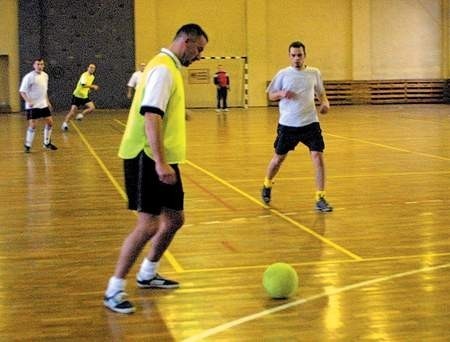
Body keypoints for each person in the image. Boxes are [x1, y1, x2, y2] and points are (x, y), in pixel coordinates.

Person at [103, 23, 208, 314]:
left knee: (174, 219)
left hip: (162, 157)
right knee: (148, 224)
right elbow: (151, 115)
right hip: (146, 155)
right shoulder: (163, 69)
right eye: (198, 49)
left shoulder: (168, 68)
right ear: (185, 41)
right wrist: (160, 162)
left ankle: (148, 273)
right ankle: (114, 289)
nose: (199, 55)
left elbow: (161, 109)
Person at [261, 41, 333, 212]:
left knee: (318, 157)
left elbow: (321, 93)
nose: (296, 58)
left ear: (304, 55)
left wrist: (325, 104)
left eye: (299, 55)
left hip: (310, 123)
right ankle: (267, 184)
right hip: (288, 125)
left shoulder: (314, 73)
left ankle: (320, 197)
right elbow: (270, 95)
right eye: (293, 55)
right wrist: (280, 93)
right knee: (278, 159)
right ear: (289, 56)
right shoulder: (283, 74)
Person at [20, 58, 57, 152]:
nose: (40, 66)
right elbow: (22, 91)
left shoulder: (45, 76)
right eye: (38, 64)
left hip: (43, 104)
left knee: (50, 122)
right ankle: (27, 146)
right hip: (32, 106)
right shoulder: (29, 77)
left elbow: (44, 90)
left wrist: (47, 101)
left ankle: (46, 142)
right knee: (32, 125)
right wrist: (28, 101)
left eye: (41, 64)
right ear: (34, 65)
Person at [61, 64, 99, 131]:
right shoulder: (84, 75)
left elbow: (87, 85)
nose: (92, 69)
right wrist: (93, 86)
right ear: (87, 68)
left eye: (93, 68)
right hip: (77, 96)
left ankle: (81, 115)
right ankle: (65, 124)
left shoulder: (92, 77)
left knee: (92, 108)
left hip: (84, 96)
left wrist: (89, 90)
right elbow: (83, 84)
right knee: (72, 112)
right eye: (91, 67)